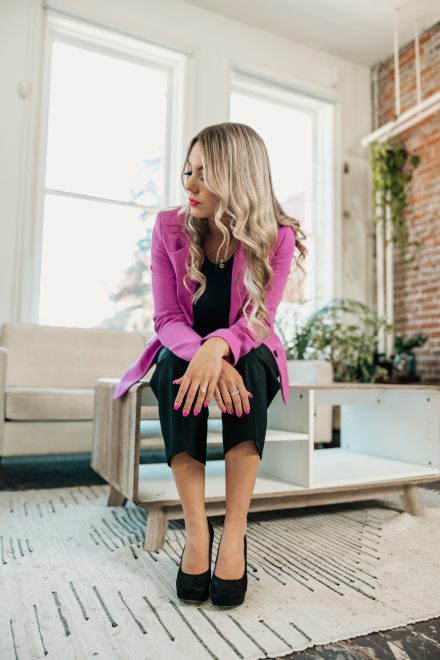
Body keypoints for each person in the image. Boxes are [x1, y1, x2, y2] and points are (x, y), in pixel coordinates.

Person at [140, 122, 306, 606]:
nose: (188, 185)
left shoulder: (277, 236)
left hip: (250, 350)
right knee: (173, 369)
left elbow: (259, 320)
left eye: (203, 173)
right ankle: (197, 531)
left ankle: (233, 533)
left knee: (250, 371)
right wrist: (205, 355)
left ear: (238, 176)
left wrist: (220, 351)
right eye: (187, 171)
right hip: (184, 349)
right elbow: (166, 317)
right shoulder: (168, 226)